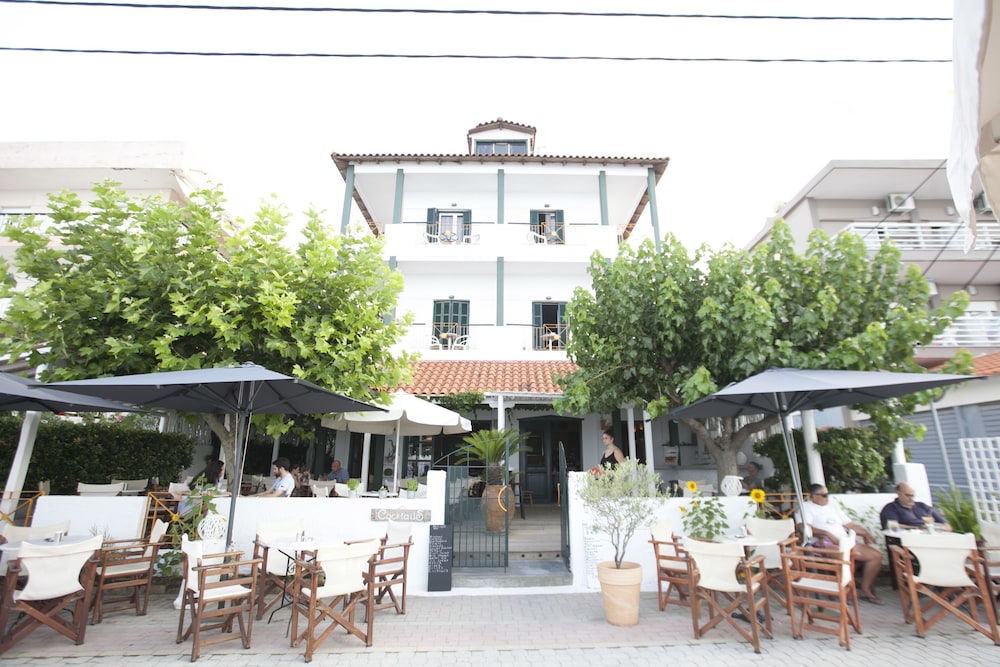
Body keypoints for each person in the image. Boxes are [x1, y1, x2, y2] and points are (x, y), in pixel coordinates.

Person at [800, 483, 885, 605]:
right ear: (813, 496)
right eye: (824, 495)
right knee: (845, 558)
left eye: (827, 494)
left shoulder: (833, 506)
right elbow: (803, 527)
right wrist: (826, 533)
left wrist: (865, 532)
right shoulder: (806, 507)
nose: (827, 497)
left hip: (845, 541)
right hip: (824, 543)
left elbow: (850, 525)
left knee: (876, 556)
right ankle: (846, 591)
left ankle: (865, 590)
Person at [880, 482, 950, 530]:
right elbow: (892, 526)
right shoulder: (891, 508)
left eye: (913, 496)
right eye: (908, 495)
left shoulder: (922, 506)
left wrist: (941, 528)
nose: (911, 499)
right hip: (909, 540)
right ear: (898, 493)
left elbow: (945, 524)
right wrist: (918, 528)